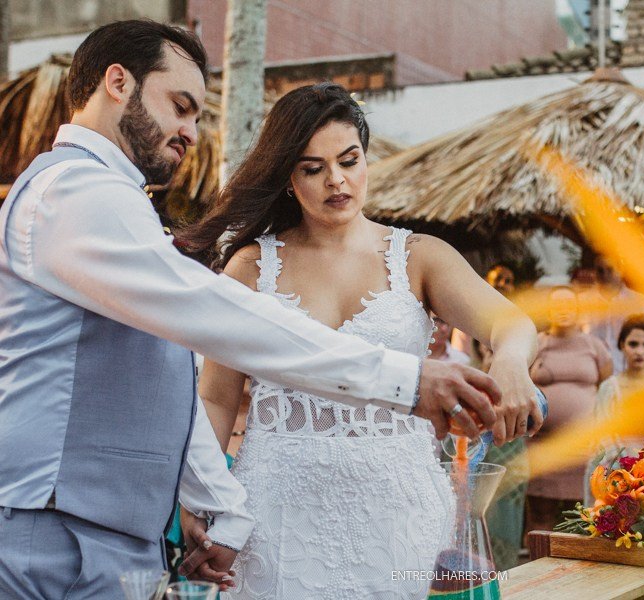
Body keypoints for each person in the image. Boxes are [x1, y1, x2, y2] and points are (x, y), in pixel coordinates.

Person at [0, 21, 501, 600]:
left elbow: (159, 382)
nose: (190, 131)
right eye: (180, 106)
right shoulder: (76, 194)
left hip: (104, 535)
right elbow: (222, 320)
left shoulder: (116, 201)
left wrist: (220, 507)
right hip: (56, 531)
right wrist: (406, 379)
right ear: (118, 83)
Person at [179, 83, 540, 599]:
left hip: (399, 506)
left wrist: (510, 364)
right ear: (287, 178)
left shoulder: (419, 256)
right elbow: (216, 396)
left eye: (349, 160)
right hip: (279, 507)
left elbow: (515, 325)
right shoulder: (251, 268)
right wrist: (199, 498)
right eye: (312, 168)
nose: (336, 180)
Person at [526, 286, 612, 535]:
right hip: (543, 444)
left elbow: (605, 387)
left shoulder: (594, 346)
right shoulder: (535, 344)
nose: (563, 311)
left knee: (582, 514)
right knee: (541, 513)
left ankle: (577, 572)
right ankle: (538, 571)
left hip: (582, 446)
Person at [591, 314, 644, 484]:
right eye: (633, 344)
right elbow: (603, 434)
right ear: (622, 345)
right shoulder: (609, 388)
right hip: (619, 474)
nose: (639, 351)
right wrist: (623, 469)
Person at [581, 255, 644, 373]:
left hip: (630, 378)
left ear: (621, 271)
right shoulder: (581, 303)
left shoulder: (640, 303)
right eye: (600, 270)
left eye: (610, 269)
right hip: (591, 377)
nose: (605, 275)